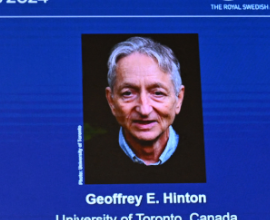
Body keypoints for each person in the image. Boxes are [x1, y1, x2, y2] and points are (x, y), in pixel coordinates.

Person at [84, 36, 205, 184]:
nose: (144, 110)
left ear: (178, 99)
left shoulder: (206, 156)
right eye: (128, 93)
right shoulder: (87, 160)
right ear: (111, 101)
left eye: (158, 93)